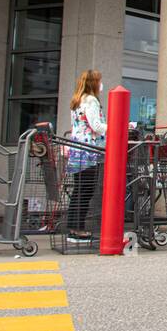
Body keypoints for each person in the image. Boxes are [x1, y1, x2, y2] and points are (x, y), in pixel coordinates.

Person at [65, 70, 107, 243]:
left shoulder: (77, 100)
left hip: (77, 150)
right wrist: (119, 126)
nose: (101, 84)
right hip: (88, 151)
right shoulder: (91, 100)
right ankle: (78, 230)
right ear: (94, 83)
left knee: (79, 190)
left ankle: (74, 228)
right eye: (99, 81)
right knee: (86, 190)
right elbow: (96, 125)